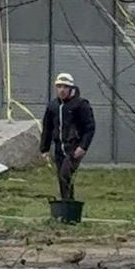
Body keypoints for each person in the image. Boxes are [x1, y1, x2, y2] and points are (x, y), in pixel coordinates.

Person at [40, 72, 96, 201]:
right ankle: (67, 203)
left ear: (71, 88)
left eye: (65, 87)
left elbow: (90, 128)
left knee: (65, 174)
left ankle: (68, 203)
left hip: (74, 147)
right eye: (59, 87)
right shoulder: (53, 106)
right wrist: (44, 149)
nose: (62, 90)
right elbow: (47, 128)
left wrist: (83, 147)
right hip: (59, 148)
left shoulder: (81, 105)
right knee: (61, 177)